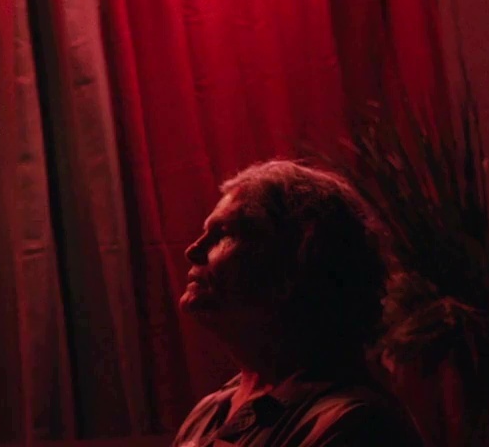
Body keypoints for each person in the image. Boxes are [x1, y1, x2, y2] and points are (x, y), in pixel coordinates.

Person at [172, 160, 425, 447]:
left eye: (224, 233)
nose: (193, 250)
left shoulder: (356, 425)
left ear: (294, 264)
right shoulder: (209, 412)